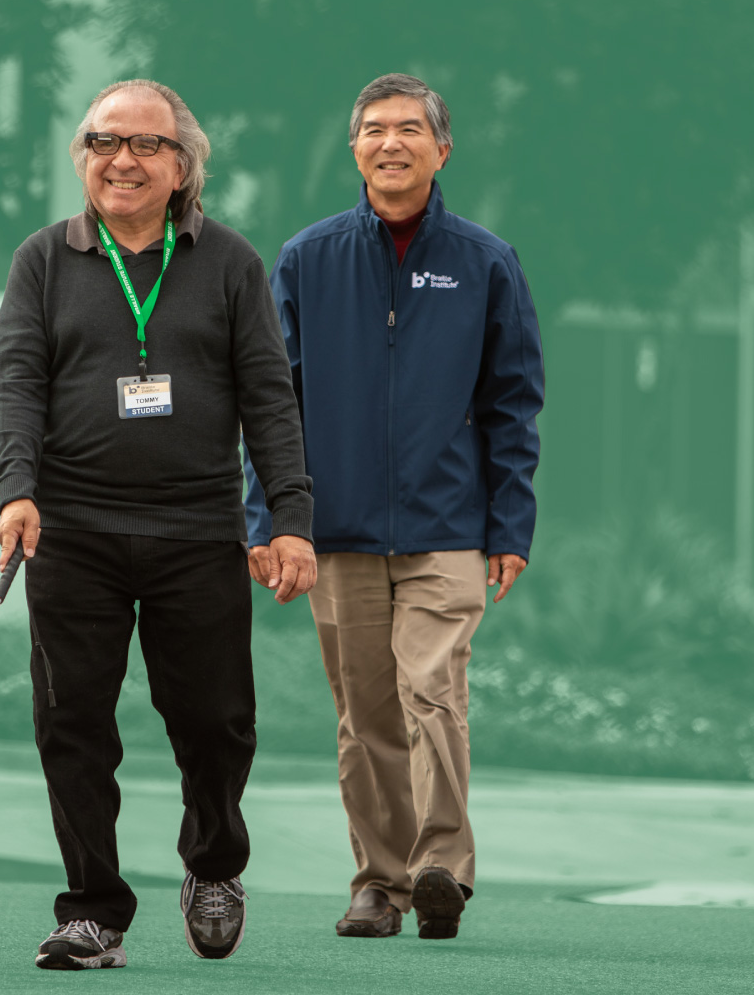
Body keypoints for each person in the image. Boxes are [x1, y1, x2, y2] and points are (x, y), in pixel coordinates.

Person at [0, 78, 316, 970]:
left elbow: (270, 400)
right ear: (82, 157)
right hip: (74, 532)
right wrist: (16, 488)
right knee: (72, 724)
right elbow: (19, 381)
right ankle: (93, 909)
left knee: (216, 722)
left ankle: (213, 864)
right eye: (103, 142)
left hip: (197, 530)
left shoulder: (230, 263)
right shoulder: (44, 260)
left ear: (183, 165)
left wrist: (288, 518)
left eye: (144, 145)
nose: (121, 160)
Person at [245, 73, 544, 941]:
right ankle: (379, 881)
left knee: (430, 689)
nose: (391, 142)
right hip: (333, 531)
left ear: (441, 148)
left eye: (410, 128)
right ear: (355, 150)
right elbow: (272, 407)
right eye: (374, 129)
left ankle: (441, 864)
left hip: (448, 526)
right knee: (364, 714)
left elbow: (513, 404)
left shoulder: (486, 262)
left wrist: (510, 524)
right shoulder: (306, 260)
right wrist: (270, 520)